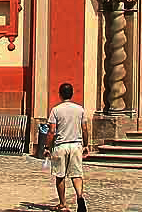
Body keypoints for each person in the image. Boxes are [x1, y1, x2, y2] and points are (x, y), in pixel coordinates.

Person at [39, 82, 90, 212]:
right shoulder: (80, 110)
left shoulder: (56, 110)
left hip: (61, 146)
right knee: (77, 174)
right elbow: (84, 129)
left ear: (60, 94)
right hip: (76, 145)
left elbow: (51, 131)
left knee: (60, 175)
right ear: (72, 94)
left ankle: (62, 204)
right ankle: (79, 197)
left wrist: (47, 148)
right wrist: (86, 145)